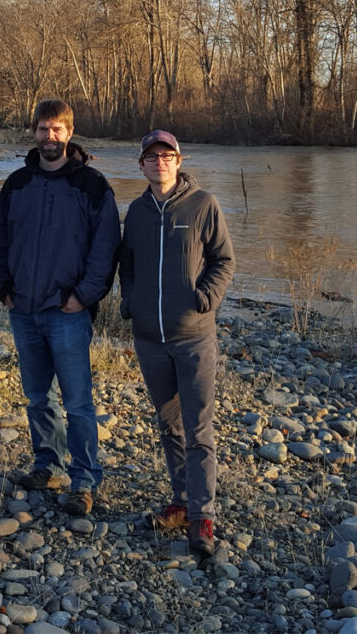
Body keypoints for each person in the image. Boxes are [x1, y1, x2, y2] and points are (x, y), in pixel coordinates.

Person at [0, 99, 121, 516]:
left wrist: (84, 296)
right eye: (43, 129)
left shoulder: (92, 185)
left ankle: (84, 479)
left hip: (67, 311)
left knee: (78, 401)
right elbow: (0, 242)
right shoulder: (17, 184)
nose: (50, 137)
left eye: (57, 130)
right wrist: (1, 287)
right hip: (23, 308)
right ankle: (47, 464)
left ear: (69, 132)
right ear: (35, 132)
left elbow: (106, 249)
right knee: (36, 397)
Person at [119, 130, 235, 560]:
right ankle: (182, 502)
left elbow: (224, 260)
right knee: (170, 426)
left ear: (178, 160)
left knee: (198, 428)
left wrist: (204, 298)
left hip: (193, 338)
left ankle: (203, 514)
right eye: (152, 156)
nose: (160, 162)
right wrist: (130, 302)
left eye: (167, 156)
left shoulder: (203, 205)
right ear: (142, 164)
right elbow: (126, 263)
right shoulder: (136, 211)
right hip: (150, 339)